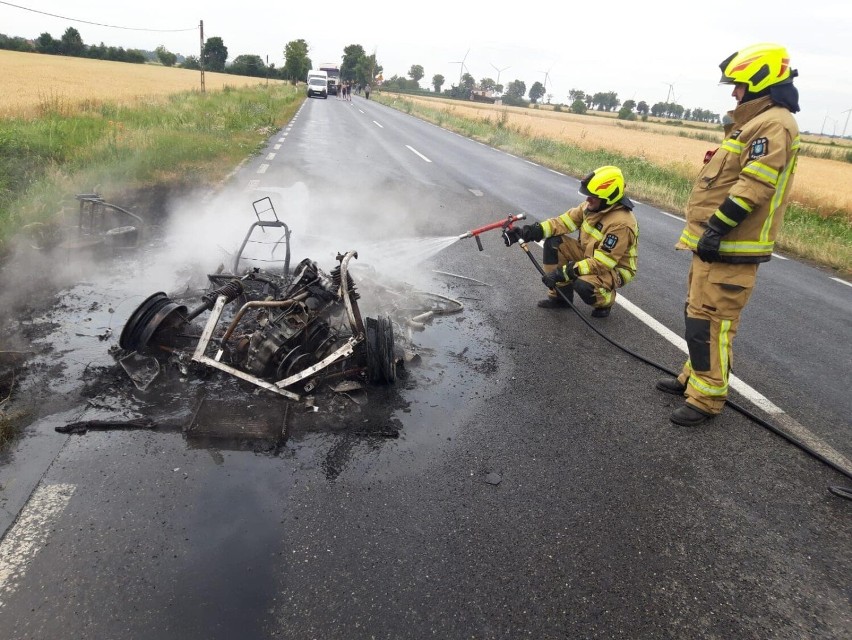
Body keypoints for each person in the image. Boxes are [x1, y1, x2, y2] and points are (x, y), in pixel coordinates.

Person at [657, 43, 800, 427]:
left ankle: (706, 398)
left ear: (759, 81)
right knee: (698, 316)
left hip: (730, 246)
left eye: (737, 84)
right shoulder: (754, 122)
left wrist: (717, 226)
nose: (734, 92)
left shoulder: (773, 124)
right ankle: (693, 377)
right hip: (716, 246)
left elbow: (755, 186)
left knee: (711, 324)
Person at [504, 165, 638, 318]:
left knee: (583, 284)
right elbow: (563, 222)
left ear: (608, 197)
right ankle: (561, 299)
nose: (587, 199)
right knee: (553, 243)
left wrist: (566, 272)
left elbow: (602, 263)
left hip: (614, 269)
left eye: (592, 196)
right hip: (590, 255)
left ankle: (606, 301)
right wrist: (529, 232)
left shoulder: (622, 223)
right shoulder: (592, 207)